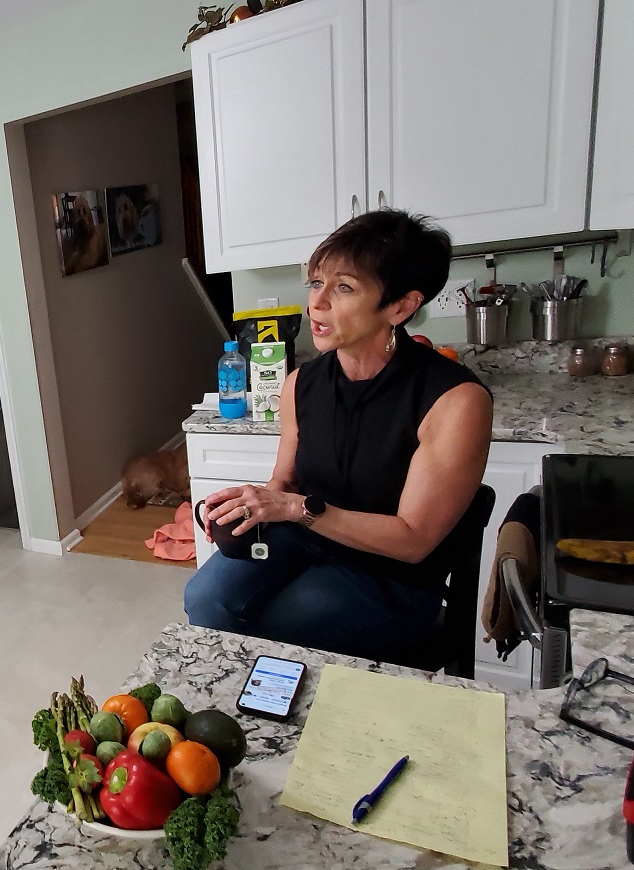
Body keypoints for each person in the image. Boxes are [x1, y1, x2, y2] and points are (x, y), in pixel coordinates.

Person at [182, 210, 494, 660]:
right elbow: (284, 482)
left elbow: (413, 540)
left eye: (343, 287)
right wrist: (249, 504)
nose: (317, 303)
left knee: (276, 626)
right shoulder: (301, 384)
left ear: (401, 306)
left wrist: (294, 509)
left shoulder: (455, 400)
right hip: (304, 541)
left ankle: (291, 715)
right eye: (315, 283)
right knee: (205, 598)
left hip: (390, 577)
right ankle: (262, 711)